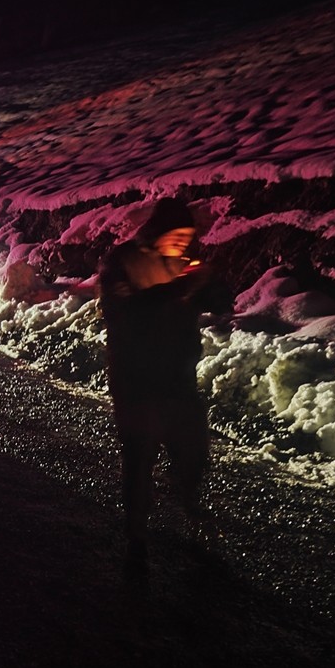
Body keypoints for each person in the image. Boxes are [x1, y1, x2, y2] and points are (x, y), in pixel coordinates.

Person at [98, 197, 233, 567]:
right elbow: (124, 310)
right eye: (175, 234)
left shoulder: (183, 263)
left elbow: (208, 300)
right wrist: (178, 288)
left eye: (187, 236)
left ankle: (190, 505)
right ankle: (136, 534)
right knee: (140, 455)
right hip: (135, 377)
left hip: (178, 374)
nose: (182, 242)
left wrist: (213, 291)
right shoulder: (122, 261)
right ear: (157, 231)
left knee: (192, 446)